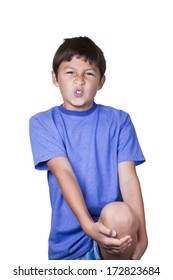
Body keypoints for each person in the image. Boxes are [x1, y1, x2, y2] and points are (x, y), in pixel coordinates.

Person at [29, 36, 148, 260]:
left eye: (89, 73)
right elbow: (63, 172)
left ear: (101, 81)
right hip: (69, 242)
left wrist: (143, 236)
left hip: (115, 230)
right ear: (55, 77)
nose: (80, 80)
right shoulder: (43, 122)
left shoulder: (119, 120)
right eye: (70, 72)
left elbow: (129, 179)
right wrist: (87, 225)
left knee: (119, 214)